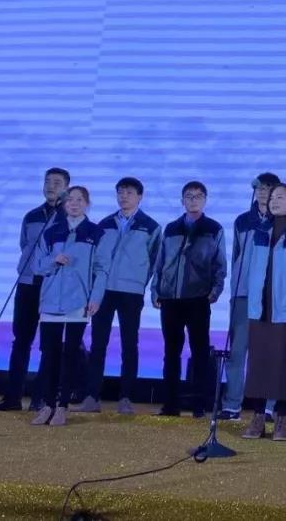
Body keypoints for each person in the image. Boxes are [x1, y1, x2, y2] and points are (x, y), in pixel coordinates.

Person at [72, 177, 161, 416]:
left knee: (129, 344)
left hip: (131, 292)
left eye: (129, 192)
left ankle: (126, 397)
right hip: (104, 290)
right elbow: (94, 258)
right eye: (120, 192)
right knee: (98, 343)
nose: (124, 196)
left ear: (140, 196)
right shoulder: (105, 224)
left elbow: (155, 260)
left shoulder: (150, 226)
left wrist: (141, 282)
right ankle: (91, 397)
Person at [240, 183, 286, 442]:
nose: (274, 200)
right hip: (260, 311)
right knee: (259, 365)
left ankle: (281, 419)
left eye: (280, 197)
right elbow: (249, 268)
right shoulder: (259, 232)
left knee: (284, 367)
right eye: (272, 197)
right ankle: (258, 418)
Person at [0, 167, 69, 412]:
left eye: (57, 182)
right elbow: (24, 244)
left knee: (49, 344)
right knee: (21, 340)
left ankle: (41, 398)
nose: (51, 186)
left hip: (52, 286)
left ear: (66, 188)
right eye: (47, 181)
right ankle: (12, 397)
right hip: (26, 284)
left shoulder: (70, 216)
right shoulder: (32, 215)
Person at [30, 185, 106, 427]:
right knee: (48, 354)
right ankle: (48, 405)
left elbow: (101, 269)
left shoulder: (95, 232)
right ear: (64, 204)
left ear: (87, 204)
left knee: (71, 354)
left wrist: (96, 298)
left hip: (78, 301)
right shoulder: (52, 232)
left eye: (80, 199)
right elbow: (37, 266)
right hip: (51, 300)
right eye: (70, 199)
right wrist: (54, 260)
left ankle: (63, 406)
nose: (74, 203)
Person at [150, 180, 226, 418]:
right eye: (189, 196)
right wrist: (155, 290)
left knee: (200, 352)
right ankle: (170, 405)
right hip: (170, 298)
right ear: (182, 200)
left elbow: (220, 265)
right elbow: (160, 262)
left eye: (198, 196)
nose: (193, 200)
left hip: (198, 298)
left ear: (205, 200)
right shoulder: (171, 228)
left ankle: (198, 406)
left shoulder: (213, 228)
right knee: (171, 353)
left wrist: (215, 291)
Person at [219, 172, 280, 421]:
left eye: (269, 188)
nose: (263, 192)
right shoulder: (242, 220)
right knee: (237, 352)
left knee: (268, 354)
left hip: (270, 296)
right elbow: (237, 256)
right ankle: (232, 405)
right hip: (242, 294)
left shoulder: (284, 221)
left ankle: (267, 408)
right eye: (260, 188)